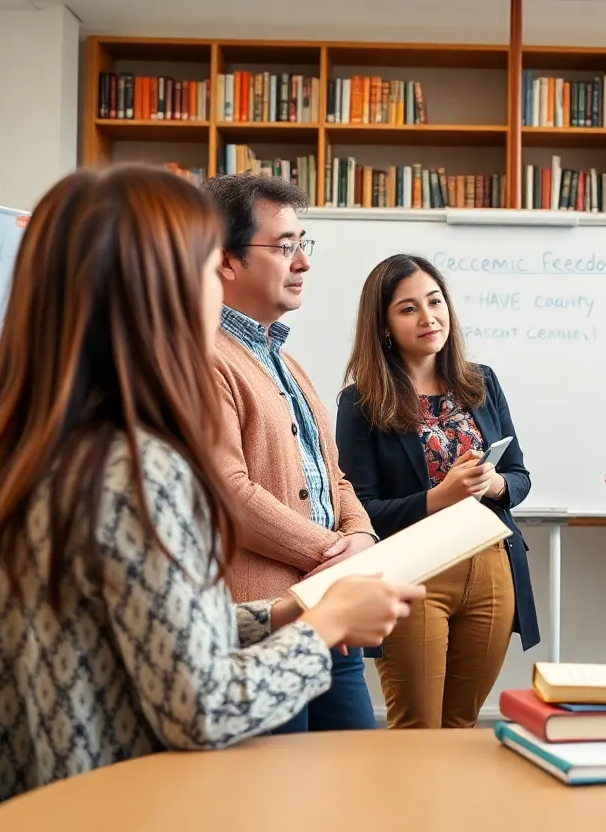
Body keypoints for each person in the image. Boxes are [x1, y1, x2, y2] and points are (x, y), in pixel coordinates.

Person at [0, 164, 424, 803]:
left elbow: (149, 630)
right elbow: (202, 705)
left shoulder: (17, 450)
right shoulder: (137, 470)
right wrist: (323, 625)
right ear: (160, 289)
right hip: (122, 807)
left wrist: (293, 609)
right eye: (209, 267)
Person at [202, 173, 382, 734]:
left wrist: (362, 539)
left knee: (354, 782)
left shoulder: (288, 362)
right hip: (264, 625)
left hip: (326, 611)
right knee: (281, 795)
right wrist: (336, 550)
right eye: (285, 247)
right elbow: (229, 492)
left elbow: (335, 477)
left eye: (304, 244)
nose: (302, 262)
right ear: (226, 261)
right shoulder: (205, 359)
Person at [335, 253, 539, 729]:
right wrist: (439, 497)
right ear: (383, 325)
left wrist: (495, 483)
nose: (428, 317)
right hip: (413, 574)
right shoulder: (362, 401)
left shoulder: (481, 382)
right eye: (408, 308)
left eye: (434, 301)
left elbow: (520, 477)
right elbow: (360, 511)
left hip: (492, 566)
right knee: (417, 730)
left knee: (462, 727)